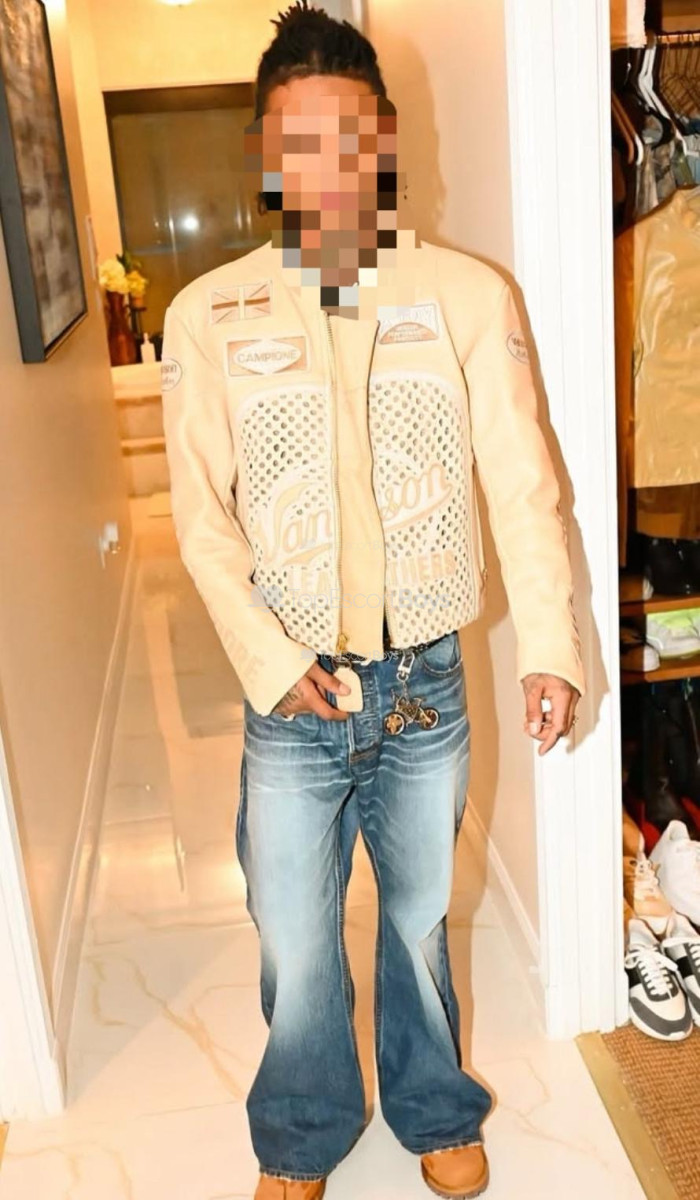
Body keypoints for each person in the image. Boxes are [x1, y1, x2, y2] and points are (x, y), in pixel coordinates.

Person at [160, 4, 585, 1197]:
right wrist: (266, 659)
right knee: (295, 934)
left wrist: (548, 645)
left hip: (423, 686)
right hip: (289, 688)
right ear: (265, 153)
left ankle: (434, 1108)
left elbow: (522, 485)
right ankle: (302, 1133)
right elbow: (201, 523)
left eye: (346, 136)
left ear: (383, 138)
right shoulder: (210, 315)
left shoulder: (466, 295)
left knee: (416, 916)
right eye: (296, 140)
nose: (325, 166)